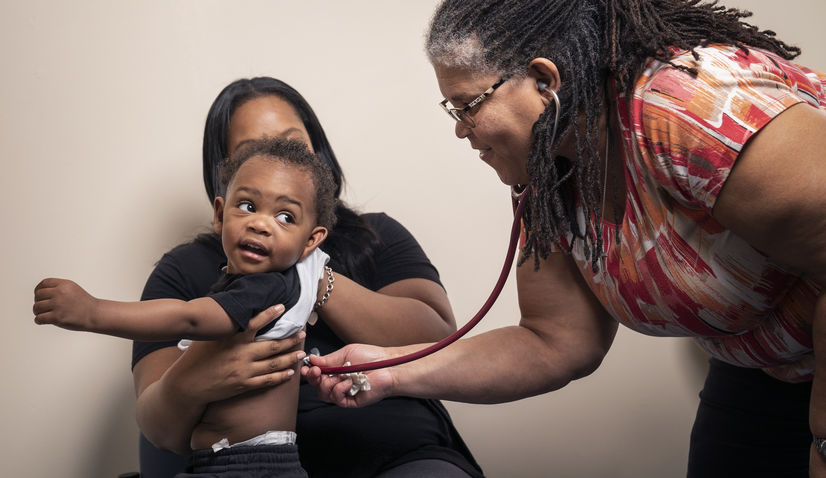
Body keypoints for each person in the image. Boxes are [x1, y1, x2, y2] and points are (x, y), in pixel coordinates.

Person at [304, 1, 826, 477]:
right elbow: (555, 342)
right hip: (761, 373)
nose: (461, 130)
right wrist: (390, 375)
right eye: (452, 111)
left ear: (543, 80)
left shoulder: (689, 109)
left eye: (467, 105)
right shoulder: (551, 176)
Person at [132, 77, 484, 477]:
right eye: (254, 152)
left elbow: (437, 340)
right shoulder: (182, 270)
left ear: (320, 154)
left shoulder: (377, 235)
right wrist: (193, 380)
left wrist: (312, 279)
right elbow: (157, 429)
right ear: (224, 182)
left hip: (399, 454)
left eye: (293, 144)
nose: (278, 163)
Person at [35, 137, 338, 476]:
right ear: (221, 215)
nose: (260, 223)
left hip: (252, 466)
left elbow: (190, 318)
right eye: (248, 206)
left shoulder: (268, 287)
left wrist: (92, 312)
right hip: (219, 462)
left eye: (284, 216)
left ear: (311, 240)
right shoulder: (234, 283)